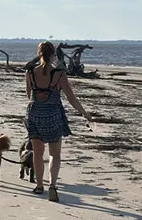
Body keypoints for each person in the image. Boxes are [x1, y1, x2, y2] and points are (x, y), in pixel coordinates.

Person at [24, 40, 92, 200]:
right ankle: (52, 185)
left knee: (38, 153)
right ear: (54, 55)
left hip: (34, 114)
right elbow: (71, 97)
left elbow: (29, 95)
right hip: (53, 115)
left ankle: (39, 185)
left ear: (39, 54)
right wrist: (84, 113)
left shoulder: (30, 73)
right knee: (55, 153)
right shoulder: (59, 74)